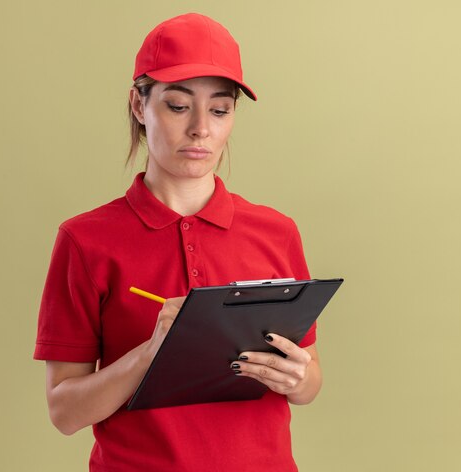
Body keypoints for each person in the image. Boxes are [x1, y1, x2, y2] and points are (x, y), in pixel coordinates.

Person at [34, 13, 322, 471]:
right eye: (177, 105)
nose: (201, 130)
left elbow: (308, 382)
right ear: (138, 105)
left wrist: (297, 378)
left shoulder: (276, 231)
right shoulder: (85, 240)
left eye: (220, 109)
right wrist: (151, 353)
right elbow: (64, 412)